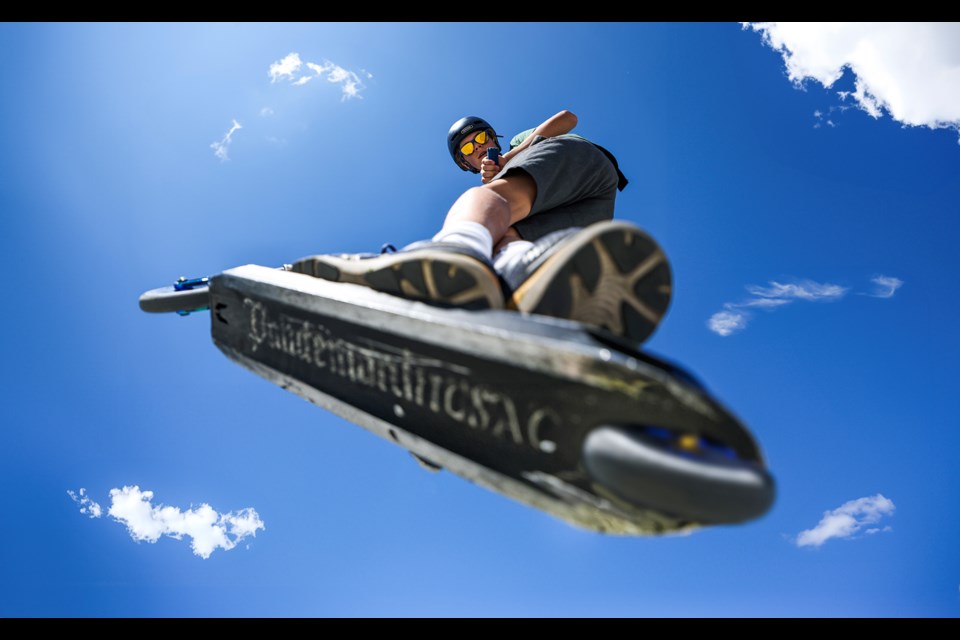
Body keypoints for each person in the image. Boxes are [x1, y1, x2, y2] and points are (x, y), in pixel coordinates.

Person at [292, 111, 670, 344]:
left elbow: (568, 118)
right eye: (469, 150)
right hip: (584, 215)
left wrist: (511, 155)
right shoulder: (489, 182)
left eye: (482, 139)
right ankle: (518, 280)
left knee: (495, 203)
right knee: (503, 239)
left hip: (581, 167)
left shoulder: (520, 148)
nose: (479, 148)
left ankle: (455, 249)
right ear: (465, 164)